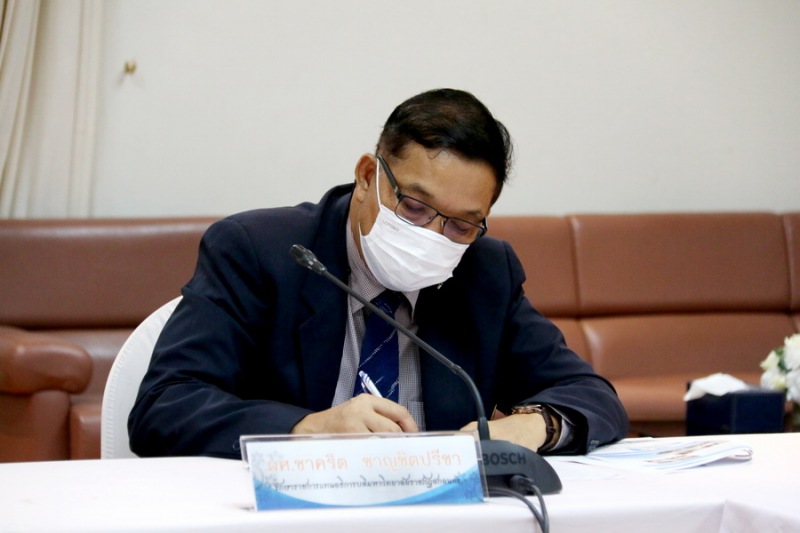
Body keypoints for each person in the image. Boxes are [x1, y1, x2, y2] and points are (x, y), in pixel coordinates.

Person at [129, 88, 628, 459]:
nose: (433, 235)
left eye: (461, 224)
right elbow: (164, 407)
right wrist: (305, 429)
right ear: (368, 177)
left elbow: (592, 396)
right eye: (414, 207)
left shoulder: (485, 271)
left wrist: (531, 426)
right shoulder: (260, 251)